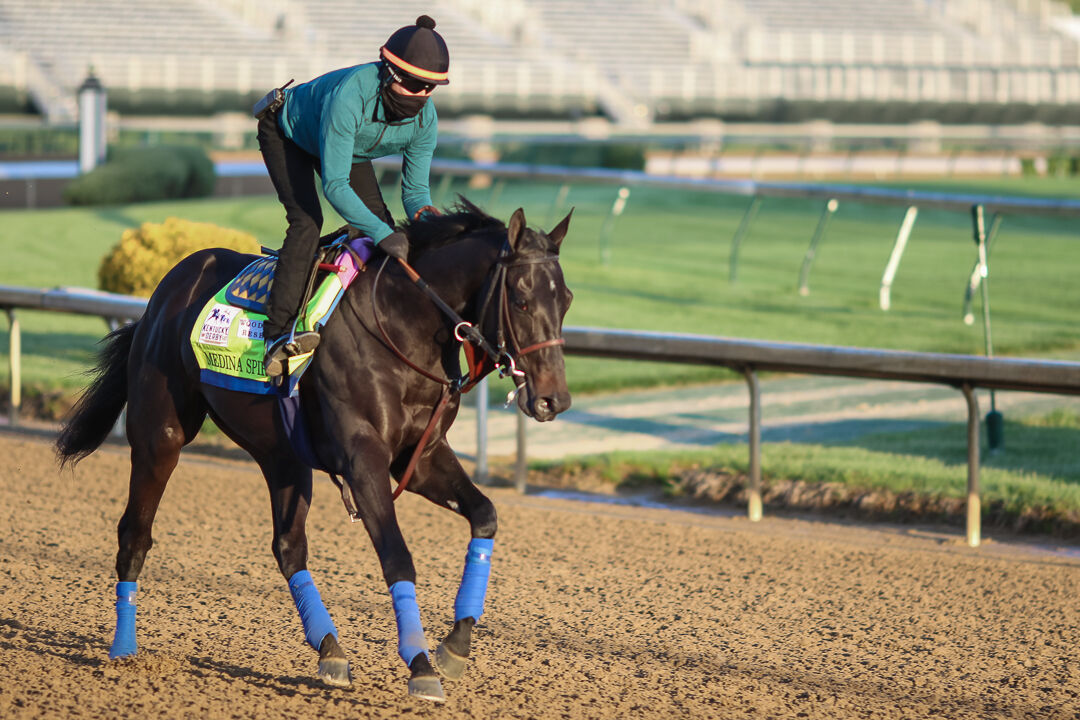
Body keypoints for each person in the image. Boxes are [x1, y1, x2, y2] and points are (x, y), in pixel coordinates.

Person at [256, 15, 449, 377]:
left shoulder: (427, 119)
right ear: (389, 72)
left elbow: (416, 191)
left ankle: (364, 328)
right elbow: (335, 186)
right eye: (414, 84)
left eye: (431, 87)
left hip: (348, 150)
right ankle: (277, 337)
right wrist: (380, 233)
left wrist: (428, 220)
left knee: (386, 229)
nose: (422, 95)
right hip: (289, 134)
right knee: (307, 223)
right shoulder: (351, 96)